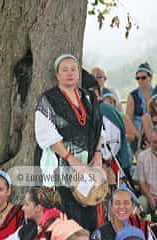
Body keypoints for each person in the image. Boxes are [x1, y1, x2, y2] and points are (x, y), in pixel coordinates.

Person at [34, 54, 102, 231]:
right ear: (57, 75)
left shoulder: (89, 98)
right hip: (62, 169)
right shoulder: (48, 100)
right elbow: (47, 135)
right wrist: (72, 160)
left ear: (79, 73)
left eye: (73, 69)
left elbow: (99, 127)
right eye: (64, 70)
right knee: (67, 221)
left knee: (89, 216)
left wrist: (98, 154)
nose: (70, 73)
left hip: (87, 169)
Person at [126, 62, 157, 153]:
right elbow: (128, 119)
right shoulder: (132, 95)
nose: (140, 80)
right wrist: (139, 135)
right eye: (138, 78)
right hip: (138, 132)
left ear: (150, 77)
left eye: (143, 78)